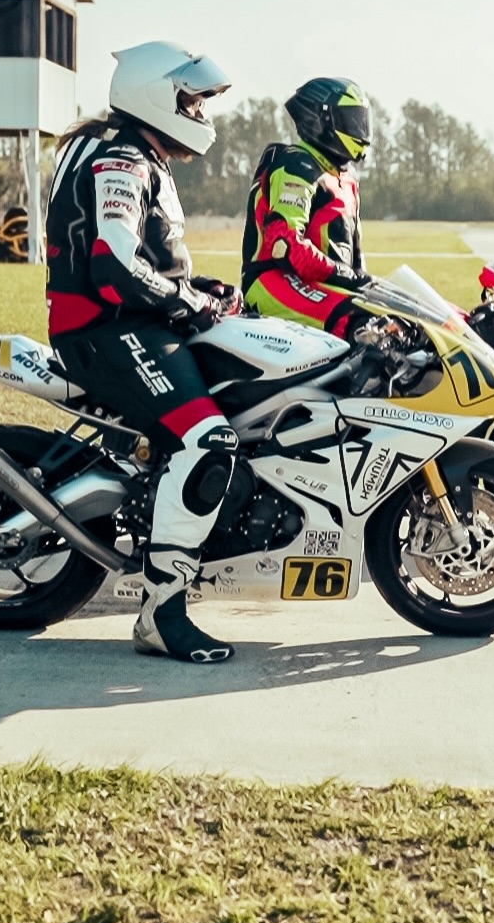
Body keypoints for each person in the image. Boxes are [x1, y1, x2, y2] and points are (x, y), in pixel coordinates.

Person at [45, 40, 242, 665]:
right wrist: (186, 304)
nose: (200, 114)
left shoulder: (129, 151)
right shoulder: (125, 159)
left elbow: (139, 262)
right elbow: (115, 265)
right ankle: (162, 614)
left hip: (123, 320)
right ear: (154, 96)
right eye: (191, 100)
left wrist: (194, 288)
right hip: (107, 327)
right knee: (207, 441)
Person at [241, 77, 373, 339]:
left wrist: (367, 285)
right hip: (273, 278)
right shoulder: (297, 164)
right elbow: (285, 244)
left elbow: (357, 262)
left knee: (398, 323)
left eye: (361, 120)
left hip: (328, 284)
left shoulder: (346, 179)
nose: (359, 130)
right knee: (360, 324)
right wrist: (346, 276)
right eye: (351, 120)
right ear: (321, 120)